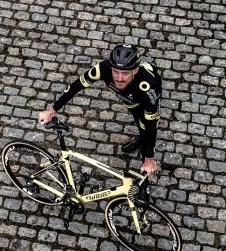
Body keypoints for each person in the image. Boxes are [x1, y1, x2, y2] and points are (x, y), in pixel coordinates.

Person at [37, 44, 163, 177]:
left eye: (125, 73)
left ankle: (145, 174)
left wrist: (149, 158)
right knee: (139, 122)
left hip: (143, 100)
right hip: (129, 101)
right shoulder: (103, 68)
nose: (119, 79)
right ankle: (141, 138)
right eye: (116, 72)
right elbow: (77, 85)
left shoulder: (147, 87)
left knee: (145, 127)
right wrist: (53, 109)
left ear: (135, 71)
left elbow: (151, 124)